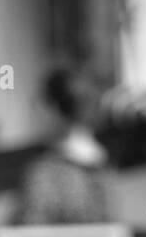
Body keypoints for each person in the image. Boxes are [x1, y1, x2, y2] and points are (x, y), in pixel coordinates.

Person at [13, 66, 117, 225]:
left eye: (36, 108)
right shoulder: (103, 170)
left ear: (51, 109)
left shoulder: (44, 174)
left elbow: (27, 232)